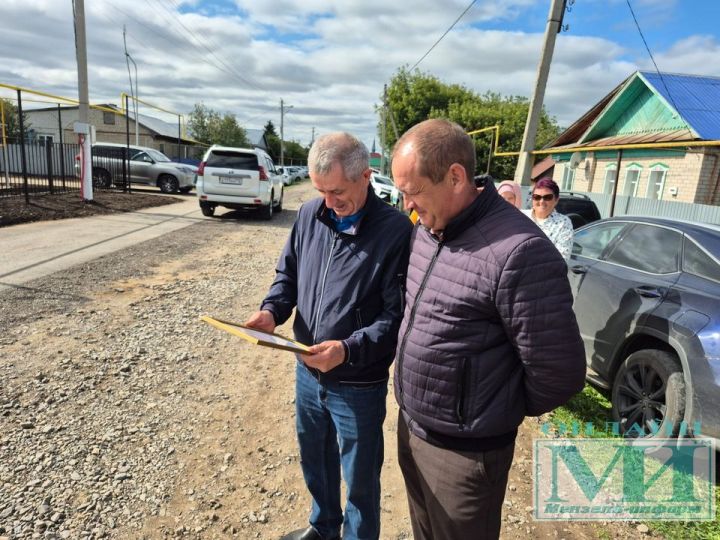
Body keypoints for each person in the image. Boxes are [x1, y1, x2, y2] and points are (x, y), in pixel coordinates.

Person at [390, 119, 585, 540]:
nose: (407, 204)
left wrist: (488, 409)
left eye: (413, 190)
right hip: (413, 428)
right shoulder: (426, 229)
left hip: (464, 456)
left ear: (455, 177)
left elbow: (560, 373)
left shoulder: (520, 252)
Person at [245, 132, 412, 540]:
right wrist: (271, 311)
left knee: (360, 479)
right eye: (321, 191)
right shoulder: (310, 214)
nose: (329, 202)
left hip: (357, 383)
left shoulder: (395, 231)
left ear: (366, 177)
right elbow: (288, 275)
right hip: (308, 371)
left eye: (337, 192)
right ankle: (322, 528)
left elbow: (396, 317)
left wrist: (347, 350)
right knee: (315, 460)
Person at [522, 177, 574, 260]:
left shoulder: (563, 223)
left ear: (556, 200)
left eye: (547, 197)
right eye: (537, 197)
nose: (541, 201)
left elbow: (562, 259)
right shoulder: (521, 216)